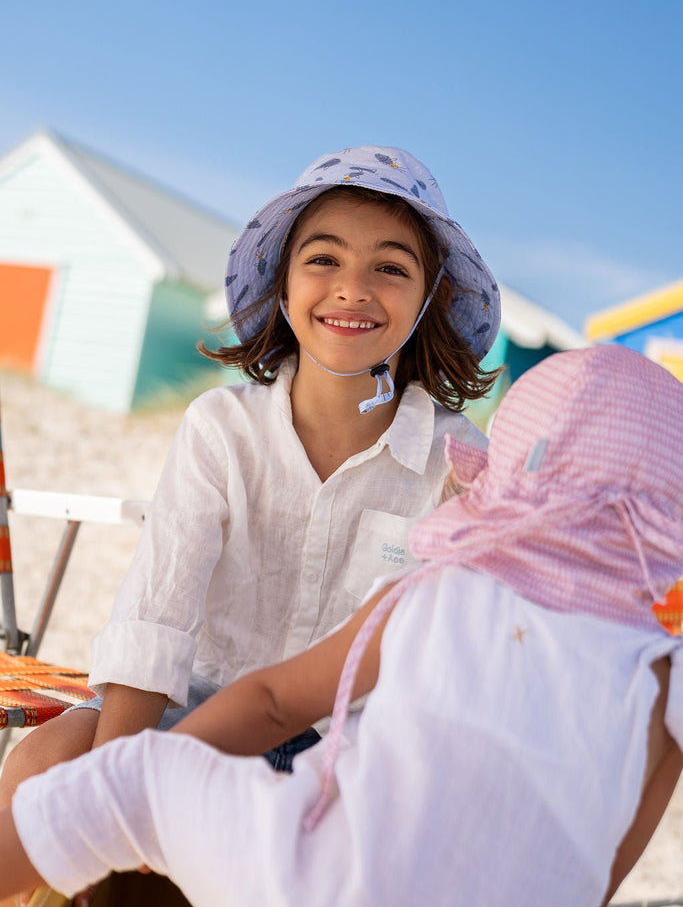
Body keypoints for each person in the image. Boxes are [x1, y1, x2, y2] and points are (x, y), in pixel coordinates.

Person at [0, 344, 681, 907]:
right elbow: (613, 855)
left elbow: (269, 701)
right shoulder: (663, 676)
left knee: (117, 786)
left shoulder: (440, 593)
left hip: (313, 875)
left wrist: (140, 775)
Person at [0, 145, 500, 899]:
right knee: (44, 761)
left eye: (391, 267)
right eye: (323, 259)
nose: (352, 289)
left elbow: (443, 668)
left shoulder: (458, 463)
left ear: (428, 299)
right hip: (196, 714)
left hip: (346, 750)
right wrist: (115, 789)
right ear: (282, 281)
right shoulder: (220, 428)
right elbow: (153, 620)